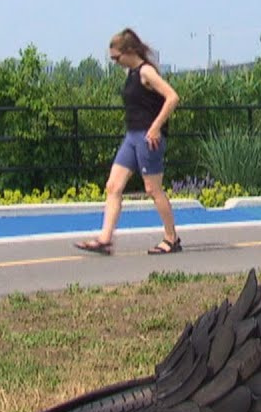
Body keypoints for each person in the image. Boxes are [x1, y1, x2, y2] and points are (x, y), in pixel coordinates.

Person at [75, 28, 182, 255]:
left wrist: (155, 128)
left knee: (153, 189)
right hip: (132, 136)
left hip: (147, 138)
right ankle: (105, 239)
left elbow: (172, 97)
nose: (115, 62)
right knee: (113, 186)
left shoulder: (146, 72)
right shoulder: (131, 74)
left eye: (116, 58)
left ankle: (171, 238)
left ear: (129, 51)